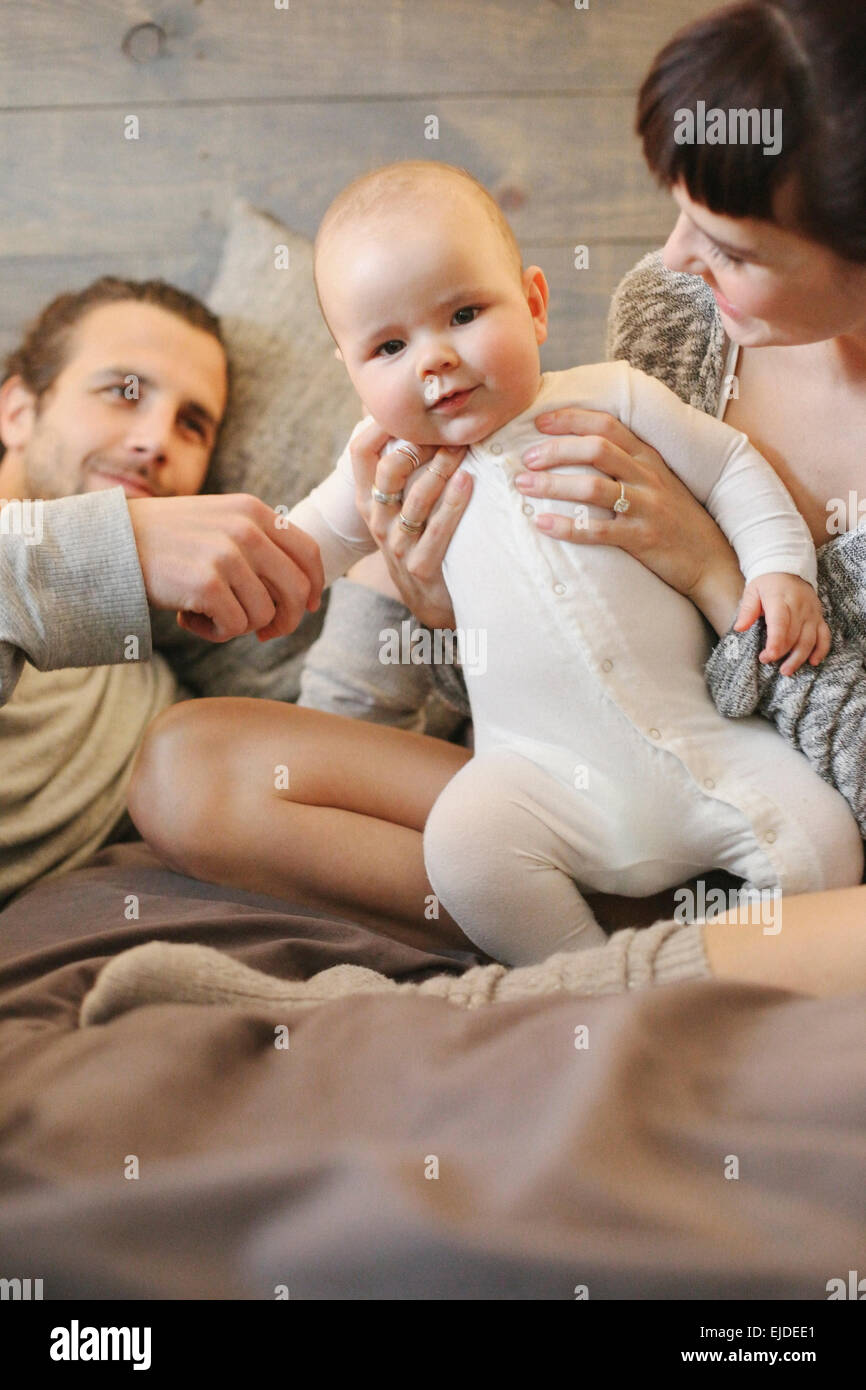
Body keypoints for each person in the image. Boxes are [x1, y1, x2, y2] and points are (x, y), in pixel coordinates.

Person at [128, 0, 866, 997]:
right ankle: (609, 937)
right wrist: (419, 607)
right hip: (559, 782)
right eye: (678, 210)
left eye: (729, 246)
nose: (675, 257)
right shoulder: (674, 316)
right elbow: (372, 565)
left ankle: (597, 986)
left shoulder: (616, 403)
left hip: (753, 782)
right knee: (187, 767)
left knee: (825, 856)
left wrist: (713, 570)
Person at [0, 277, 323, 907]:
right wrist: (110, 545)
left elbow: (311, 807)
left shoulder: (149, 708)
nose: (156, 442)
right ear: (16, 411)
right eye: (123, 394)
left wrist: (396, 594)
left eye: (193, 425)